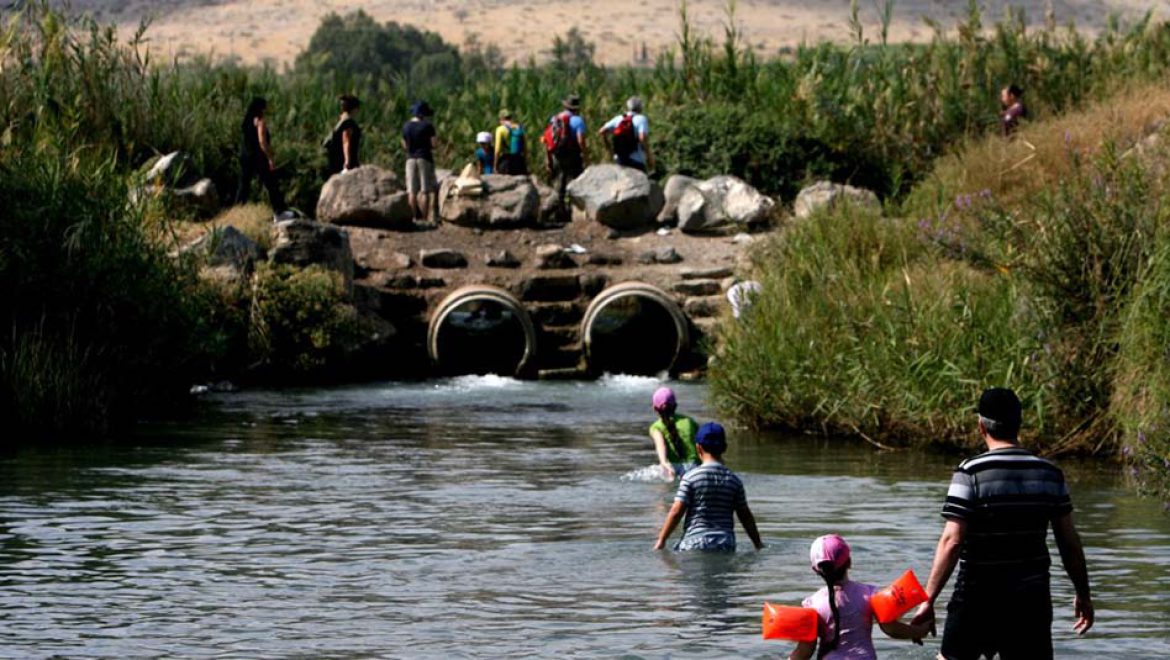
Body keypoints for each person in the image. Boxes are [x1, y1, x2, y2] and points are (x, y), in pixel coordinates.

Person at [910, 387, 1094, 659]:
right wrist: (1083, 594)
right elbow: (1069, 542)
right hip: (1030, 601)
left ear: (980, 425)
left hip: (977, 597)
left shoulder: (969, 472)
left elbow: (953, 540)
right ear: (1019, 424)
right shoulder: (1049, 474)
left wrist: (928, 599)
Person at [789, 534, 929, 660]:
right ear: (849, 562)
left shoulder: (812, 604)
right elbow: (890, 629)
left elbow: (805, 651)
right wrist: (920, 631)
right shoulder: (869, 594)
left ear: (815, 570)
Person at [653, 422, 764, 552]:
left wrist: (662, 540)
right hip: (725, 543)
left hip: (695, 541)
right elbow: (745, 515)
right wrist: (757, 543)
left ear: (698, 448)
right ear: (725, 448)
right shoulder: (734, 481)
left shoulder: (690, 478)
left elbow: (676, 512)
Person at [235, 96, 293, 221]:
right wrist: (270, 157)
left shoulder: (247, 121)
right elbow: (262, 141)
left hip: (245, 157)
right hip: (258, 157)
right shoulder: (260, 121)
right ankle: (279, 212)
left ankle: (237, 212)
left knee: (243, 186)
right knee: (272, 184)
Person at [543, 94, 587, 220]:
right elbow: (580, 141)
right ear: (577, 108)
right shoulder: (578, 120)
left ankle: (556, 213)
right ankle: (573, 212)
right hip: (573, 156)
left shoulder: (555, 118)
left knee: (559, 186)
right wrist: (585, 155)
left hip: (558, 155)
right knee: (577, 182)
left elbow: (548, 139)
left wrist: (549, 159)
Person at [648, 386, 700, 479]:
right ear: (675, 405)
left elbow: (661, 445)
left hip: (673, 468)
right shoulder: (689, 421)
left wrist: (663, 462)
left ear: (655, 408)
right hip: (695, 467)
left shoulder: (656, 427)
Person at [402, 100, 438, 222]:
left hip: (410, 159)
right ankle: (424, 218)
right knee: (425, 190)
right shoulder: (428, 126)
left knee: (411, 191)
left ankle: (413, 218)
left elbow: (405, 145)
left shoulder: (406, 126)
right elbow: (434, 144)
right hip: (425, 158)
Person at [598, 96, 652, 172]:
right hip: (636, 160)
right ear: (640, 108)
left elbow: (602, 131)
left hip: (619, 159)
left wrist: (608, 147)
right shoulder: (641, 118)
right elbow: (642, 138)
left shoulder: (619, 118)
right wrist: (649, 157)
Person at [324, 94, 362, 177]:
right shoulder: (348, 122)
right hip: (344, 162)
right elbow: (346, 141)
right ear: (355, 109)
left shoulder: (342, 121)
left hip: (335, 161)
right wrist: (347, 161)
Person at [493, 109, 528, 175]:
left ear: (502, 119)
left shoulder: (500, 129)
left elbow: (497, 150)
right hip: (519, 160)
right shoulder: (519, 128)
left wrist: (495, 166)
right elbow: (525, 149)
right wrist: (525, 163)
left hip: (506, 161)